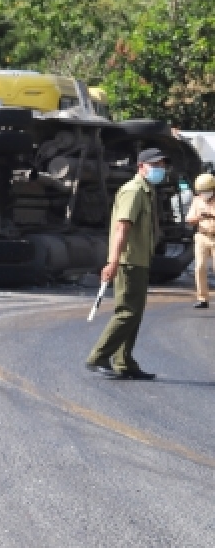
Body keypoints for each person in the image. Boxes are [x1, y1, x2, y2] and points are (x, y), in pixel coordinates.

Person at [86, 148, 168, 380]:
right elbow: (122, 227)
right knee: (126, 312)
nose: (159, 169)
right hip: (128, 261)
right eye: (155, 165)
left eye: (162, 165)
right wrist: (113, 262)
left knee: (135, 312)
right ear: (141, 166)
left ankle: (123, 360)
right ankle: (99, 356)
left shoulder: (147, 191)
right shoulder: (133, 191)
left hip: (139, 259)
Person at [188, 172, 215, 309]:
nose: (205, 194)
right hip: (202, 236)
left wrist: (211, 216)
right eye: (202, 192)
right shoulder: (197, 201)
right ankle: (202, 298)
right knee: (199, 267)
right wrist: (200, 217)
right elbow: (190, 220)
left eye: (207, 191)